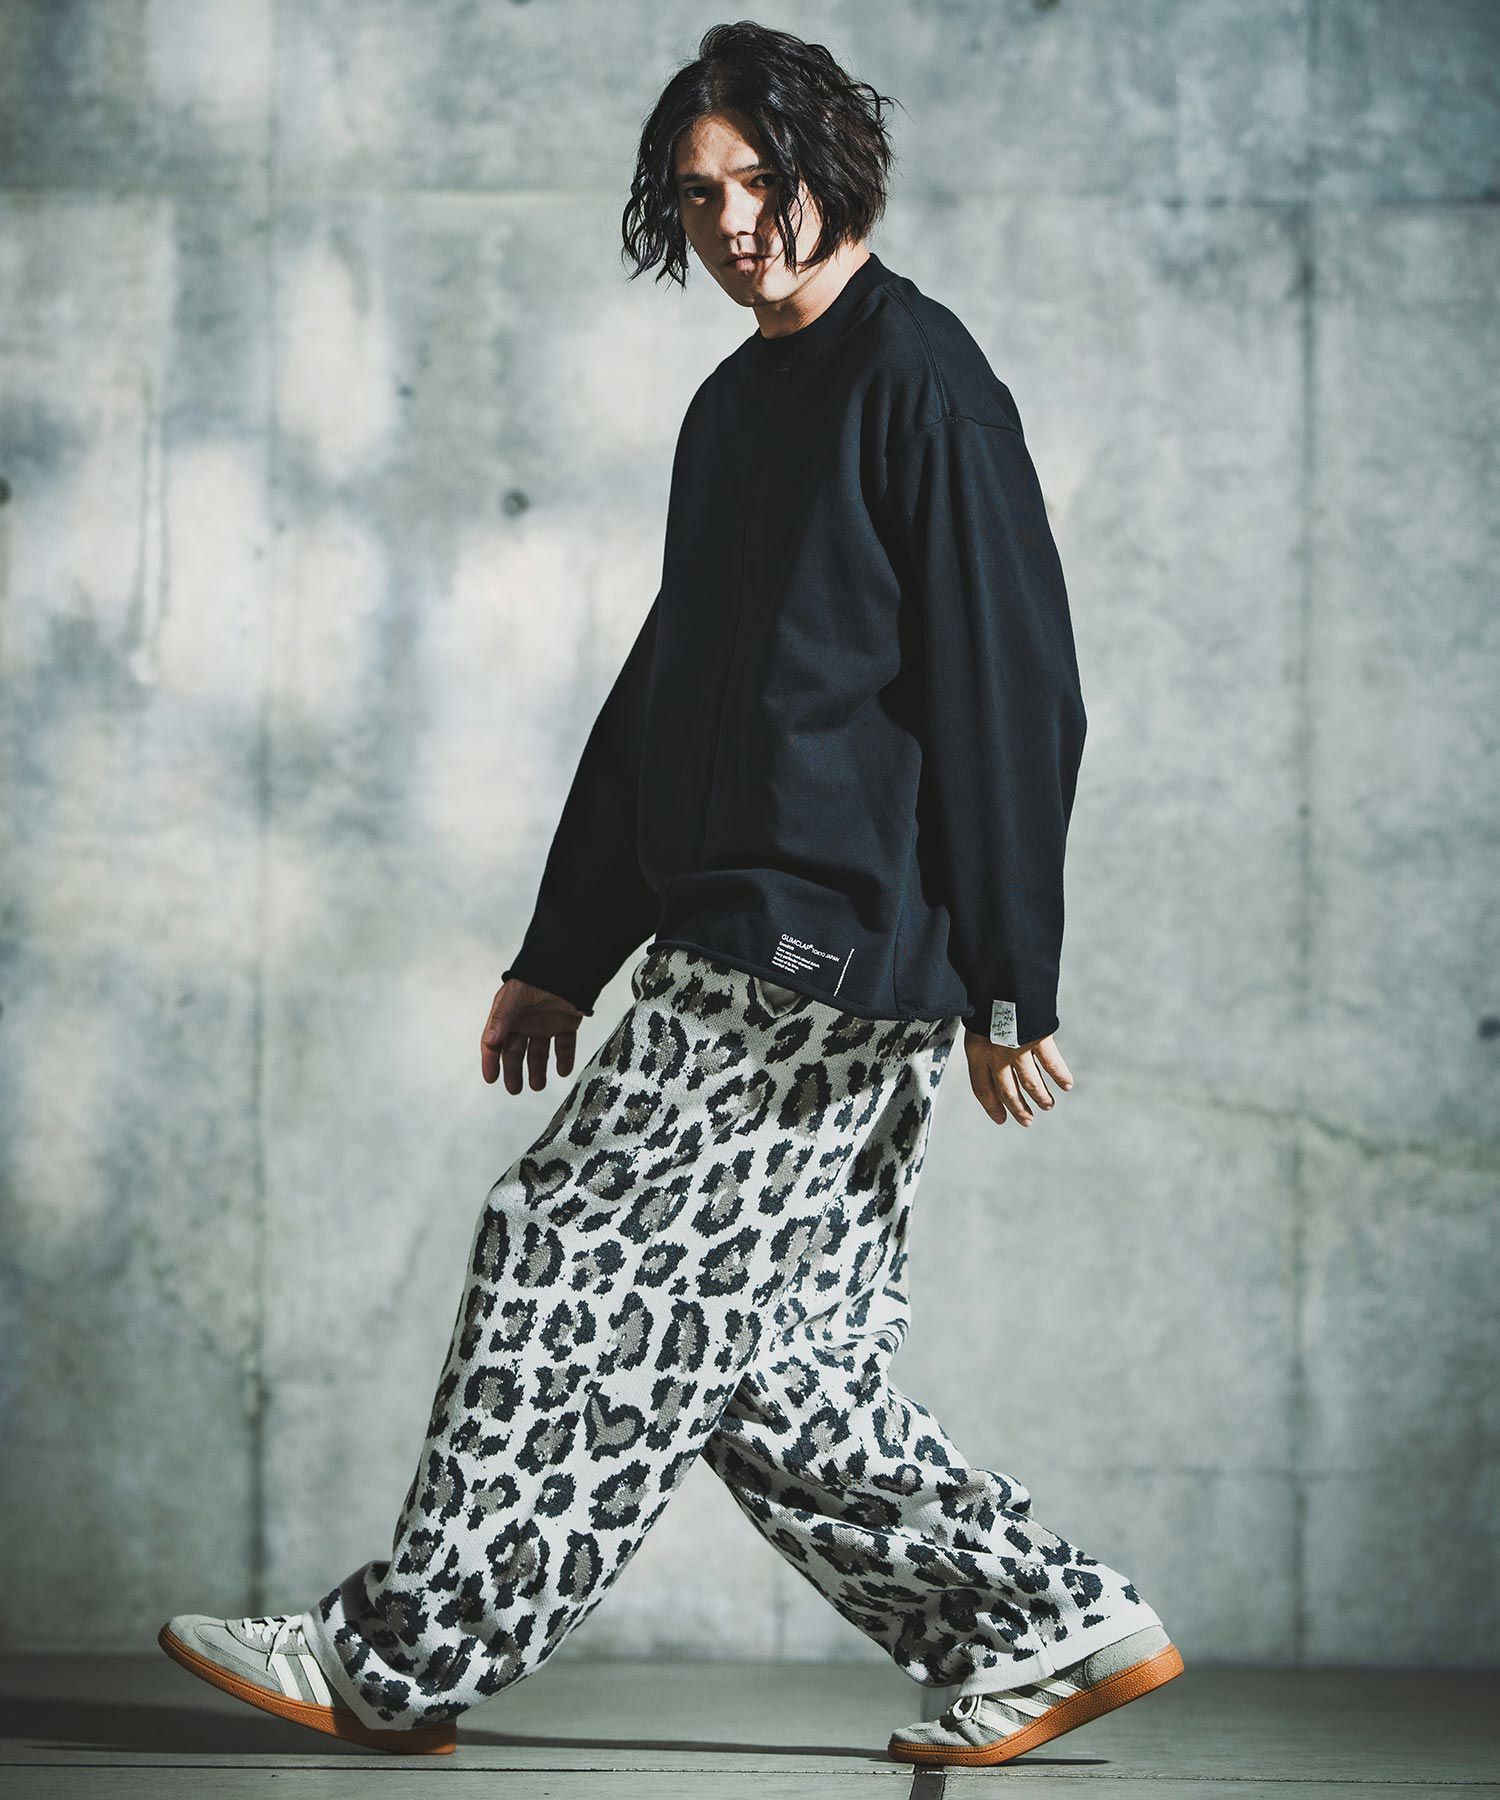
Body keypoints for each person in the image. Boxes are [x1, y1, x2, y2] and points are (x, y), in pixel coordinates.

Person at [158, 21, 1183, 1769]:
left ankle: (395, 1656)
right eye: (699, 197)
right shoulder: (735, 407)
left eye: (761, 183)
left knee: (558, 1251)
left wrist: (1016, 978)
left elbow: (1017, 690)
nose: (733, 225)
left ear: (833, 170)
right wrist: (565, 951)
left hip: (819, 949)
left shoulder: (923, 383)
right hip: (743, 930)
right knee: (771, 1368)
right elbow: (672, 695)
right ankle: (1042, 1623)